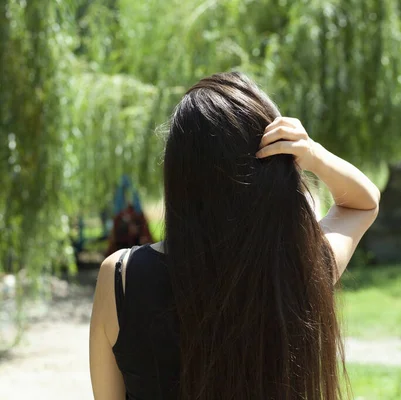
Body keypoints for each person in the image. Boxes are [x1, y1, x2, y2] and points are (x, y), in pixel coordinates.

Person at [89, 72, 380, 400]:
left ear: (179, 175)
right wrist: (313, 154)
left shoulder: (121, 279)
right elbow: (362, 204)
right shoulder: (298, 270)